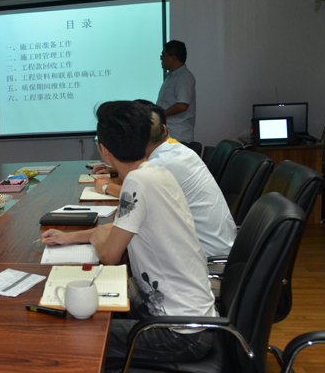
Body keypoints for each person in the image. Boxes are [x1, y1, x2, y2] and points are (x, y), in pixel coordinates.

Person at [41, 101, 216, 373]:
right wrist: (73, 237)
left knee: (74, 336)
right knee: (96, 309)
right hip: (187, 314)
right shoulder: (153, 173)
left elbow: (109, 254)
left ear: (103, 149)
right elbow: (117, 230)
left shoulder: (136, 182)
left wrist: (93, 237)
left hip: (180, 331)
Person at [93, 101, 236, 257]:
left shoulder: (158, 168)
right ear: (165, 130)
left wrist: (106, 187)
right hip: (214, 247)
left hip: (205, 255)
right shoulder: (178, 151)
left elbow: (135, 196)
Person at [156, 40, 196, 142]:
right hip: (169, 134)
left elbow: (182, 105)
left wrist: (160, 114)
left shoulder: (184, 77)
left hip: (178, 136)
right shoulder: (171, 77)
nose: (161, 58)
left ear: (173, 58)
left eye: (163, 55)